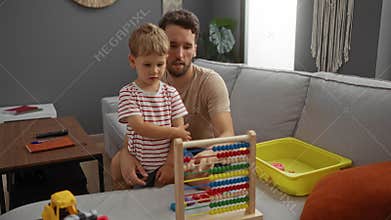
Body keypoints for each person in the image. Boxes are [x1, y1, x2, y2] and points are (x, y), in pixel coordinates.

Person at [116, 9, 235, 187]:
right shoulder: (152, 79)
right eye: (173, 45)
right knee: (117, 166)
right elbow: (133, 133)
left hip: (194, 154)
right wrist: (126, 155)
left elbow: (227, 133)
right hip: (161, 150)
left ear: (195, 49)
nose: (179, 55)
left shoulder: (210, 82)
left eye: (187, 46)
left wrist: (211, 152)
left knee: (204, 174)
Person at [110, 23, 191, 189]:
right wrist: (174, 131)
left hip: (165, 164)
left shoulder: (171, 93)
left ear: (166, 60)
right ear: (133, 61)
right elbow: (140, 127)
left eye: (160, 64)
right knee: (116, 168)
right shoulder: (128, 93)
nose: (154, 71)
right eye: (147, 65)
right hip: (139, 165)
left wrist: (169, 163)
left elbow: (179, 133)